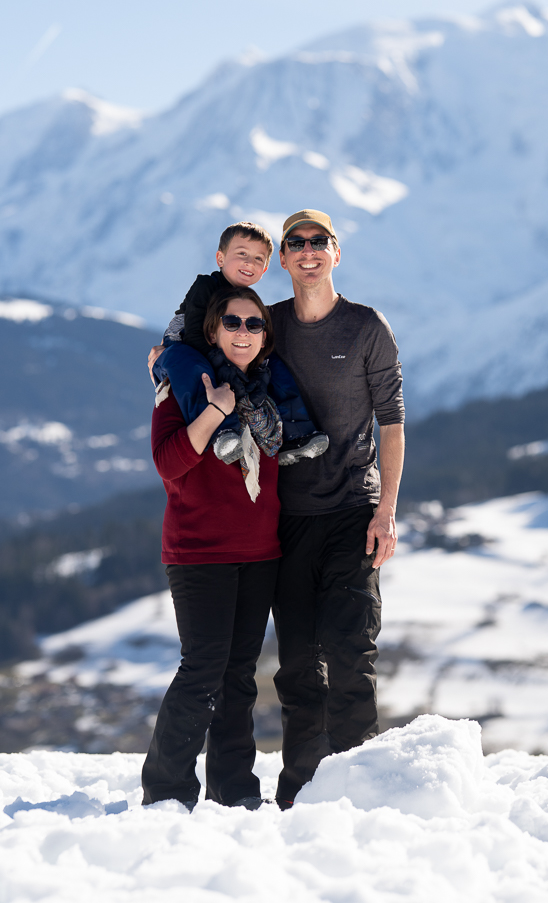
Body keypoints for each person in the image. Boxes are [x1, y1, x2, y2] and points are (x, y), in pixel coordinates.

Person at [269, 209, 405, 809]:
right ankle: (298, 792)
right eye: (295, 244)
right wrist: (163, 359)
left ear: (336, 252)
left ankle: (360, 792)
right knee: (298, 665)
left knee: (351, 654)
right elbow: (211, 349)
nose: (307, 252)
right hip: (288, 517)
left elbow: (393, 424)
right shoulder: (267, 325)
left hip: (355, 508)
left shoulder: (366, 326)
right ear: (282, 258)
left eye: (317, 242)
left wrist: (387, 512)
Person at [142, 286, 282, 811]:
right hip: (199, 551)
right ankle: (167, 791)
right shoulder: (180, 385)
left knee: (239, 675)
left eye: (254, 324)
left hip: (261, 550)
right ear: (213, 330)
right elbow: (169, 463)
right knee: (202, 669)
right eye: (232, 323)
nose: (243, 332)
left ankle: (235, 790)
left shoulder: (271, 391)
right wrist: (215, 410)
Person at [149, 221, 328, 466]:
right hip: (184, 346)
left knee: (273, 364)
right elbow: (192, 333)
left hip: (218, 351)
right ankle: (223, 432)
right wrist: (224, 368)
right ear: (220, 258)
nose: (249, 263)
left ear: (264, 269)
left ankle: (297, 432)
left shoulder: (248, 301)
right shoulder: (206, 286)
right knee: (196, 372)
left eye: (258, 259)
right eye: (242, 254)